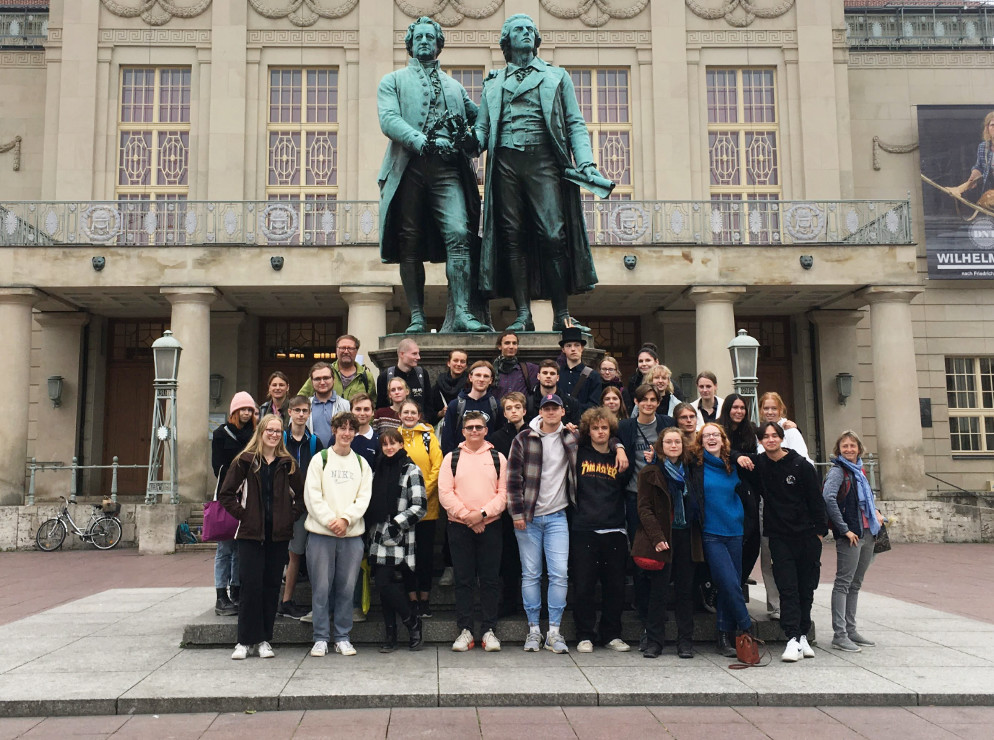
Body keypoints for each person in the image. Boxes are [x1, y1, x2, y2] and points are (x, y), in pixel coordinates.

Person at [475, 13, 601, 333]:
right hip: (505, 163)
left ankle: (561, 314)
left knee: (553, 235)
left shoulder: (556, 76)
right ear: (507, 41)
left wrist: (585, 163)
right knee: (512, 237)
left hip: (543, 161)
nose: (527, 33)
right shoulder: (493, 82)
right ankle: (522, 314)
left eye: (531, 29)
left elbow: (575, 124)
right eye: (519, 29)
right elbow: (480, 132)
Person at [376, 16, 486, 333]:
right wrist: (422, 142)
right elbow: (389, 120)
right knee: (409, 242)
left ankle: (463, 313)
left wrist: (491, 102)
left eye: (430, 37)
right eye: (419, 37)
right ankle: (417, 316)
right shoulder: (392, 80)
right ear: (410, 44)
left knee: (459, 233)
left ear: (439, 45)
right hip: (408, 167)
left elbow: (479, 126)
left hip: (448, 171)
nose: (424, 41)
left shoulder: (454, 87)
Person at [507, 393, 628, 654]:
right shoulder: (524, 438)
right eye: (546, 408)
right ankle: (533, 630)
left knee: (560, 574)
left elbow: (605, 435)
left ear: (563, 412)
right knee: (531, 575)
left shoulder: (571, 438)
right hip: (528, 517)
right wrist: (516, 513)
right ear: (540, 411)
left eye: (555, 408)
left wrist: (620, 446)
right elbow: (513, 478)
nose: (551, 412)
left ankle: (554, 631)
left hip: (558, 516)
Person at [738, 422, 826, 663]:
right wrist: (738, 458)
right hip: (779, 536)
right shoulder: (760, 465)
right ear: (760, 441)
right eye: (765, 437)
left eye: (774, 436)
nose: (770, 440)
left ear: (781, 438)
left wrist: (820, 532)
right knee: (787, 587)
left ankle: (803, 635)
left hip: (807, 536)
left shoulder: (801, 466)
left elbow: (816, 501)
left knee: (806, 588)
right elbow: (732, 455)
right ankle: (792, 638)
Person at [219, 414, 304, 660]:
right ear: (262, 431)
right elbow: (226, 494)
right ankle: (244, 641)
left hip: (277, 536)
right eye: (270, 430)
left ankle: (264, 639)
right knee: (250, 587)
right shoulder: (245, 461)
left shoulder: (287, 463)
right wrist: (244, 516)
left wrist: (290, 516)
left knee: (269, 587)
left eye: (278, 431)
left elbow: (301, 495)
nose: (274, 434)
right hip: (250, 535)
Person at [438, 411, 508, 652]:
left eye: (479, 427)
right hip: (459, 527)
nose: (475, 431)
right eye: (470, 427)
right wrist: (468, 516)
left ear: (486, 430)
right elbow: (445, 493)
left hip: (491, 526)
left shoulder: (498, 457)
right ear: (463, 431)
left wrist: (483, 514)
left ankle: (489, 630)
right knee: (463, 580)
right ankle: (465, 630)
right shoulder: (451, 458)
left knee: (489, 580)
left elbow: (504, 493)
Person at [304, 412, 372, 658]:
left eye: (351, 429)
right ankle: (321, 637)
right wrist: (331, 521)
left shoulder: (362, 463)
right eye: (341, 428)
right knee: (321, 588)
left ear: (355, 432)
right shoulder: (319, 460)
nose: (346, 433)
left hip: (351, 536)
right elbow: (313, 496)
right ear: (334, 430)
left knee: (346, 587)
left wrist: (346, 520)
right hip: (321, 534)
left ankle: (342, 636)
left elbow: (363, 498)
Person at [633, 427, 702, 659]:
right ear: (660, 446)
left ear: (683, 446)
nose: (673, 446)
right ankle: (654, 641)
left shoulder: (691, 471)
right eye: (669, 442)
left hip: (686, 537)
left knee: (685, 591)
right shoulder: (650, 473)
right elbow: (644, 508)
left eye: (677, 442)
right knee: (658, 592)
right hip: (663, 538)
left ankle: (685, 642)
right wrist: (657, 537)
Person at [689, 423, 755, 658]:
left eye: (715, 434)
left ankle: (724, 635)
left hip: (735, 531)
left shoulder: (733, 464)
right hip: (711, 532)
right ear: (701, 440)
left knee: (732, 584)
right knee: (726, 581)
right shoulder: (696, 465)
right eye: (706, 436)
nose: (711, 438)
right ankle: (746, 625)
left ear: (723, 438)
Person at [572, 407, 633, 654]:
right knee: (584, 586)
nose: (600, 432)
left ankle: (611, 634)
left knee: (615, 586)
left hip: (614, 528)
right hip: (584, 528)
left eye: (604, 428)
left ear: (611, 430)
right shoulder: (578, 453)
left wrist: (619, 448)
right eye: (595, 428)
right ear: (589, 430)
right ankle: (585, 634)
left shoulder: (620, 458)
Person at [822, 429, 885, 653]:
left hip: (868, 532)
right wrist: (844, 529)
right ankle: (839, 634)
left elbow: (866, 499)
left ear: (859, 448)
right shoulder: (838, 471)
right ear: (838, 450)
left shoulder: (859, 470)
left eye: (852, 446)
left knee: (856, 584)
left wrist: (876, 512)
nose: (849, 449)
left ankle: (851, 629)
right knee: (843, 583)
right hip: (852, 535)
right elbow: (828, 499)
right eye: (844, 446)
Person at [367, 428, 427, 652]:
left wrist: (396, 524)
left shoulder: (411, 469)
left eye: (393, 443)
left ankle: (411, 620)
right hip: (378, 535)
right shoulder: (378, 469)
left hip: (399, 535)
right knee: (384, 587)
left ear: (401, 445)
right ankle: (391, 634)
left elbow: (420, 506)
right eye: (385, 444)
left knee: (384, 583)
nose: (389, 448)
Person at [756, 390, 810, 620]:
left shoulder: (790, 431)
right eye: (766, 408)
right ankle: (774, 604)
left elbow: (805, 463)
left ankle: (792, 602)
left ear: (781, 410)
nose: (769, 412)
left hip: (790, 503)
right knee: (767, 554)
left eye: (773, 408)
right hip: (766, 503)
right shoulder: (758, 433)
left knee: (789, 557)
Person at [210, 391, 258, 617]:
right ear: (234, 412)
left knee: (241, 548)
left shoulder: (255, 434)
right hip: (229, 495)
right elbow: (217, 466)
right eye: (243, 410)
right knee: (225, 548)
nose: (247, 413)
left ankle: (237, 592)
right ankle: (221, 596)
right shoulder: (221, 434)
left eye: (250, 409)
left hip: (249, 495)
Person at [278, 395, 324, 620]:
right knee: (282, 554)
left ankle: (291, 600)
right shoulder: (279, 439)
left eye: (305, 411)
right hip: (280, 505)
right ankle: (279, 600)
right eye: (297, 410)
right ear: (289, 412)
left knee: (298, 554)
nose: (301, 414)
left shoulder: (315, 442)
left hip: (307, 505)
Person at [398, 399, 444, 617]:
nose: (409, 415)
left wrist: (422, 493)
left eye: (413, 412)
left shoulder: (428, 436)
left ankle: (424, 599)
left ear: (418, 415)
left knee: (425, 556)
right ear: (400, 415)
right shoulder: (394, 436)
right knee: (407, 556)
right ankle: (411, 599)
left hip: (426, 506)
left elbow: (438, 465)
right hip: (402, 508)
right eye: (405, 412)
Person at [488, 391, 528, 616]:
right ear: (504, 413)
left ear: (524, 410)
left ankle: (529, 602)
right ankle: (509, 600)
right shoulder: (496, 439)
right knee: (509, 556)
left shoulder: (534, 434)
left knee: (531, 556)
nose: (513, 411)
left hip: (530, 502)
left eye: (517, 407)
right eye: (509, 408)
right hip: (505, 504)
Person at [297, 335, 377, 406]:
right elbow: (301, 399)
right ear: (336, 350)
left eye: (350, 348)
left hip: (356, 422)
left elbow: (373, 404)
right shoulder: (324, 373)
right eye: (342, 348)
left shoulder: (365, 376)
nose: (346, 351)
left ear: (356, 351)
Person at [440, 360, 501, 454]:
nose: (481, 379)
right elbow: (447, 438)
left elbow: (500, 438)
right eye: (478, 375)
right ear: (470, 377)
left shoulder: (496, 406)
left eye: (486, 376)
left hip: (487, 459)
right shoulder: (455, 405)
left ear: (491, 380)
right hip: (460, 458)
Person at [376, 338, 433, 420]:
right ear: (402, 354)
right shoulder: (385, 376)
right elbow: (381, 406)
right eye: (414, 354)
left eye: (418, 354)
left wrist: (424, 423)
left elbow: (429, 405)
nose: (418, 357)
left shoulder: (422, 374)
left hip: (418, 427)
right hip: (393, 427)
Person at [949, 111, 994, 201]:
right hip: (989, 192)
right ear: (987, 128)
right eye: (993, 125)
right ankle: (958, 190)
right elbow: (979, 167)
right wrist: (972, 178)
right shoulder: (983, 147)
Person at [306, 361, 351, 448]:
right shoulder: (304, 407)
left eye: (326, 378)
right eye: (317, 379)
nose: (322, 382)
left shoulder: (346, 406)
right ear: (311, 382)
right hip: (311, 458)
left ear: (333, 379)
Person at [558, 327, 602, 413]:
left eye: (577, 345)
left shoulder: (593, 376)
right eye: (568, 345)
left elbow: (594, 405)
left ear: (582, 348)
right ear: (563, 349)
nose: (573, 349)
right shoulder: (557, 374)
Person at [528, 359, 579, 425]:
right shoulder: (529, 403)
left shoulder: (571, 403)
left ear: (557, 378)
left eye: (552, 373)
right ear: (538, 376)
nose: (548, 376)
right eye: (545, 373)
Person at [493, 330, 538, 401]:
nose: (511, 346)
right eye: (507, 343)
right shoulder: (491, 370)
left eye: (514, 343)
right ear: (499, 346)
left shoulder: (528, 369)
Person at [433, 350, 468, 423]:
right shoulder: (439, 384)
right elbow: (429, 410)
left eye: (462, 361)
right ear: (448, 363)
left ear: (466, 366)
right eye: (455, 360)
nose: (459, 364)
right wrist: (440, 413)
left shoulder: (470, 384)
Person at [348, 392, 379, 467]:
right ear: (351, 411)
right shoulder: (338, 438)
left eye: (366, 409)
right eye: (358, 409)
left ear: (372, 413)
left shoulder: (379, 442)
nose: (362, 413)